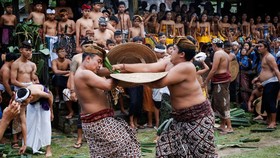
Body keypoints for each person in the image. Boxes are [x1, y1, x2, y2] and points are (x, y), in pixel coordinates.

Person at [113, 37, 218, 157]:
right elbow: (149, 68)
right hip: (179, 117)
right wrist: (123, 67)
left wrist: (130, 78)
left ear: (182, 54)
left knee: (204, 154)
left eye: (173, 49)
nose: (170, 52)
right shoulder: (169, 61)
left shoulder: (186, 67)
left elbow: (159, 83)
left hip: (198, 117)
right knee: (165, 149)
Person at [74, 44, 141, 157]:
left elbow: (105, 71)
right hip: (99, 123)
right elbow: (107, 85)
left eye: (101, 63)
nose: (99, 66)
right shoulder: (84, 73)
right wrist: (118, 75)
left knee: (104, 154)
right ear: (88, 59)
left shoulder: (88, 72)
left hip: (97, 122)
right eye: (98, 61)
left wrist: (119, 68)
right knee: (129, 148)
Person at [203, 38, 233, 134]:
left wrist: (206, 80)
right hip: (224, 79)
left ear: (214, 45)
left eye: (212, 45)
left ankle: (229, 127)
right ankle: (222, 124)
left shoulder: (218, 54)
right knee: (219, 101)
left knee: (222, 102)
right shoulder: (225, 54)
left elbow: (214, 69)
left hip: (221, 80)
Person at [15, 84, 53, 157]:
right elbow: (23, 123)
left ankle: (48, 149)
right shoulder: (21, 100)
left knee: (45, 124)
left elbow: (50, 96)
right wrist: (25, 144)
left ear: (30, 97)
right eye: (21, 102)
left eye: (24, 102)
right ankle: (28, 145)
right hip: (31, 103)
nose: (22, 104)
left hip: (44, 100)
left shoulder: (38, 93)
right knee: (29, 123)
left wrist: (51, 111)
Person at [252, 40, 280, 129]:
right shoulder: (263, 57)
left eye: (260, 46)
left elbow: (276, 70)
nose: (258, 48)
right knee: (265, 102)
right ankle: (268, 119)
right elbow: (264, 70)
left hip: (272, 82)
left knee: (270, 102)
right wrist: (258, 78)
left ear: (266, 48)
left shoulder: (269, 57)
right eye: (258, 46)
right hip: (266, 82)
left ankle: (273, 122)